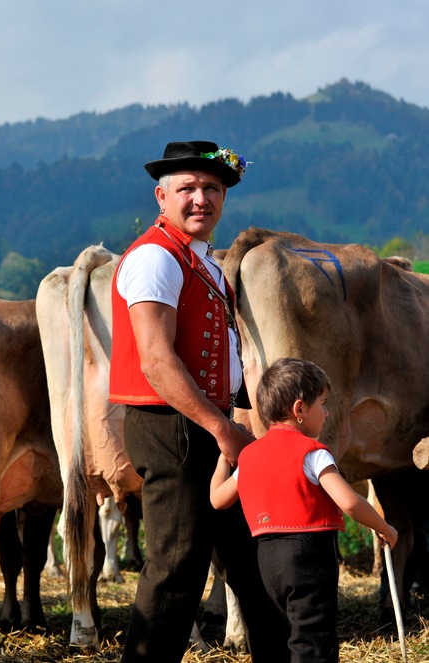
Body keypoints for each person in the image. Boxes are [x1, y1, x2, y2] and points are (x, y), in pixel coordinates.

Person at [109, 140, 292, 662]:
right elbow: (157, 362)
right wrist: (223, 428)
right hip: (173, 428)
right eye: (186, 188)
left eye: (211, 188)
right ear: (160, 196)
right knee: (177, 564)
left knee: (255, 557)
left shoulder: (202, 262)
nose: (200, 199)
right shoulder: (154, 258)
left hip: (210, 425)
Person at [210, 357, 399, 662]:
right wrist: (383, 526)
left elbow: (217, 499)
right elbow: (349, 501)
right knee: (313, 640)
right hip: (309, 555)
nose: (326, 412)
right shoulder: (314, 454)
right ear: (299, 410)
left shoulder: (250, 456)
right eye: (323, 403)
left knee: (283, 636)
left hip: (266, 559)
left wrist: (224, 458)